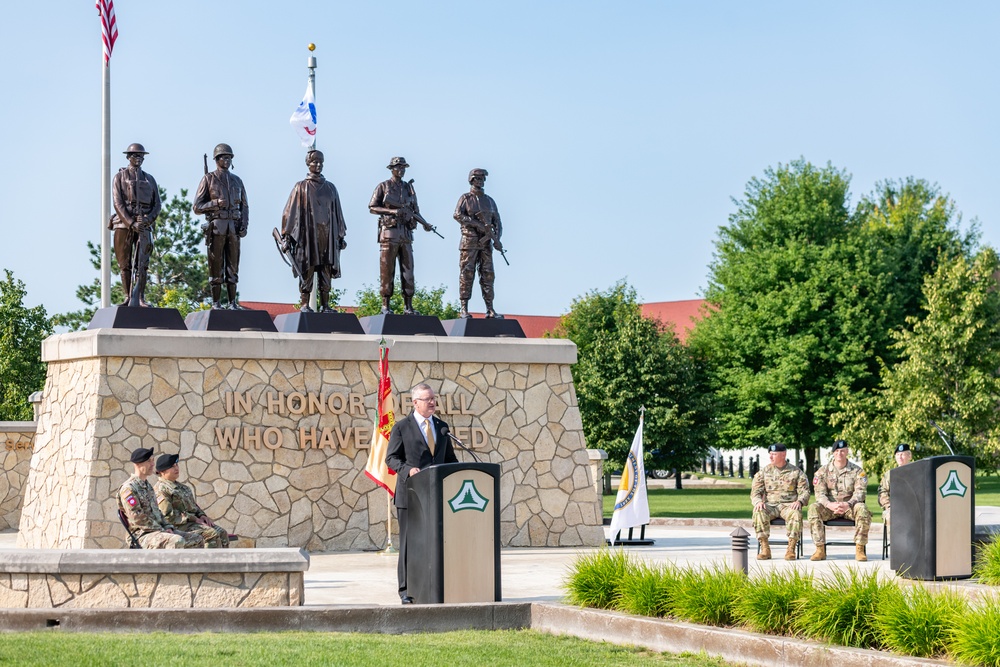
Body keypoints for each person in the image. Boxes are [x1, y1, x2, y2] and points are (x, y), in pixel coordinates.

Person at [385, 383, 458, 603]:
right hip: (411, 495)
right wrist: (409, 470)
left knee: (435, 542)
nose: (432, 402)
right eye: (427, 399)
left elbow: (449, 460)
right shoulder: (401, 428)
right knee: (409, 543)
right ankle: (406, 590)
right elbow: (391, 458)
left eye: (433, 398)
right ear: (415, 402)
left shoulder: (442, 427)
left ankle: (434, 585)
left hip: (437, 497)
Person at [280, 149, 348, 313]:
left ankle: (325, 305)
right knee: (306, 270)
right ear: (308, 164)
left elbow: (337, 213)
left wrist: (340, 236)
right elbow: (290, 213)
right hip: (307, 237)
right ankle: (305, 304)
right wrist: (287, 237)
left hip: (327, 237)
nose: (317, 165)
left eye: (320, 162)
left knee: (325, 271)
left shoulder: (331, 188)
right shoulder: (301, 187)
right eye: (314, 162)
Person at [368, 157, 435, 315]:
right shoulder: (383, 186)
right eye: (398, 167)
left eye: (403, 167)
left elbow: (415, 211)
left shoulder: (409, 189)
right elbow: (372, 207)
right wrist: (392, 211)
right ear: (392, 169)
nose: (402, 170)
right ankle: (385, 305)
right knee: (387, 271)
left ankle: (408, 306)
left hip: (405, 234)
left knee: (408, 271)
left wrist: (425, 223)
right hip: (389, 233)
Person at [194, 143, 249, 310]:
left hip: (234, 226)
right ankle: (216, 302)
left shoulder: (237, 181)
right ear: (216, 159)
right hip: (217, 226)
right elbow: (197, 207)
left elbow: (245, 206)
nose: (227, 160)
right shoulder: (208, 179)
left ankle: (232, 302)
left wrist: (244, 225)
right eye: (224, 157)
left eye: (229, 157)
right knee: (216, 265)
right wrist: (215, 203)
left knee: (233, 266)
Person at [117, 447, 204, 549]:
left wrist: (167, 527)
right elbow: (137, 518)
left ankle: (191, 565)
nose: (153, 464)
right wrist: (161, 529)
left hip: (158, 531)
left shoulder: (148, 487)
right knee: (176, 541)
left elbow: (157, 512)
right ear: (138, 464)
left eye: (153, 460)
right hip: (142, 535)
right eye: (149, 461)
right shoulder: (129, 489)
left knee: (197, 539)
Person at [110, 143, 162, 307]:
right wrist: (131, 223)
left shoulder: (149, 179)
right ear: (128, 157)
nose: (138, 159)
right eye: (135, 156)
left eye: (141, 156)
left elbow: (157, 204)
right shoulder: (120, 177)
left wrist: (147, 220)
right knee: (125, 264)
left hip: (144, 224)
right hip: (124, 225)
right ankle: (127, 296)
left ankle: (140, 297)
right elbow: (118, 203)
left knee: (142, 264)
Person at [807, 439, 872, 561]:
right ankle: (820, 549)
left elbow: (860, 492)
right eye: (837, 451)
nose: (840, 454)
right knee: (813, 508)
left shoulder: (858, 471)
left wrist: (848, 504)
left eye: (842, 451)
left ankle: (860, 548)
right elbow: (819, 493)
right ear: (833, 453)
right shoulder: (822, 472)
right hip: (829, 508)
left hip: (850, 507)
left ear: (847, 451)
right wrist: (829, 504)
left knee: (862, 509)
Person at [453, 168, 504, 319]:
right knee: (467, 273)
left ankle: (490, 309)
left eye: (482, 179)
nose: (480, 181)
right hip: (469, 241)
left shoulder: (489, 201)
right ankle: (464, 309)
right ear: (471, 180)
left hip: (486, 243)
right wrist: (475, 224)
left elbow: (498, 223)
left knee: (488, 274)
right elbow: (457, 215)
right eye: (477, 178)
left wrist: (497, 239)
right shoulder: (465, 198)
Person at [154, 453, 230, 548]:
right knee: (211, 534)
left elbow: (194, 506)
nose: (176, 468)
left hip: (193, 523)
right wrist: (193, 518)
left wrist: (202, 515)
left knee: (222, 533)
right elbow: (168, 516)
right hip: (179, 526)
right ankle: (209, 562)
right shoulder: (161, 489)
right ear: (162, 471)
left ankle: (224, 562)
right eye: (172, 466)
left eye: (176, 465)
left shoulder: (183, 488)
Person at [750, 443, 810, 560]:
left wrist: (799, 501)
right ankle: (765, 548)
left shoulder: (796, 472)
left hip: (788, 506)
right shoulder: (764, 472)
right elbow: (755, 492)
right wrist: (758, 502)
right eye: (770, 454)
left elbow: (805, 492)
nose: (771, 457)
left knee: (796, 513)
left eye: (774, 454)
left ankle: (791, 549)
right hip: (770, 506)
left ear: (783, 454)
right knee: (758, 512)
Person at [877, 443, 912, 528]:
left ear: (909, 456)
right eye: (898, 455)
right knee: (890, 516)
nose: (900, 457)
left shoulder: (916, 473)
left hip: (913, 508)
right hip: (893, 508)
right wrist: (889, 506)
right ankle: (895, 541)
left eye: (902, 454)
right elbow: (882, 492)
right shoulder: (890, 475)